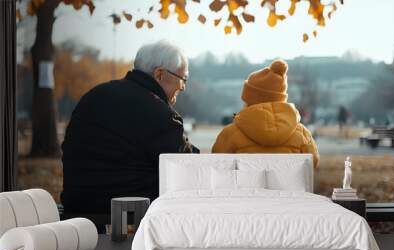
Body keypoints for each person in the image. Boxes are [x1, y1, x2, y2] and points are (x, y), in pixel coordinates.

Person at [61, 40, 199, 214]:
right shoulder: (157, 111)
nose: (183, 87)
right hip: (124, 205)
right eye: (182, 79)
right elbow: (185, 164)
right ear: (159, 74)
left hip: (77, 200)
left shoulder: (96, 94)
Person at [212, 59, 319, 168]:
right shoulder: (302, 133)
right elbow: (313, 162)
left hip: (245, 185)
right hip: (289, 185)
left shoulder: (231, 133)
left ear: (249, 100)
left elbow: (217, 164)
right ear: (281, 97)